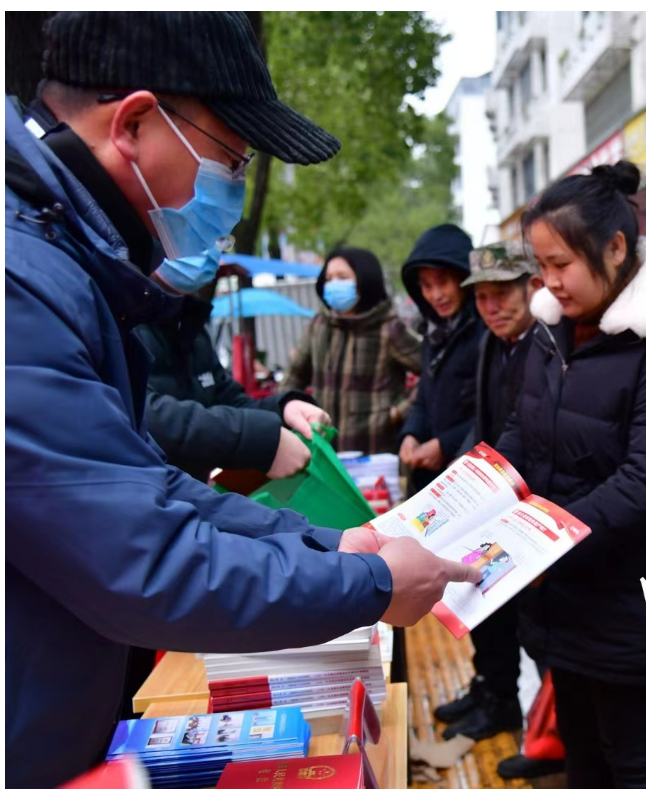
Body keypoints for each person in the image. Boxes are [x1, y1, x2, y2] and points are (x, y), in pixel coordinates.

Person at [5, 12, 477, 789]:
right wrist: (374, 586)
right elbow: (143, 559)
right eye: (231, 158)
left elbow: (146, 486)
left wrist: (325, 546)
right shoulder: (24, 279)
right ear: (134, 124)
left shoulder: (65, 261)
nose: (233, 189)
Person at [495, 161, 646, 789]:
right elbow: (524, 429)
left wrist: (543, 537)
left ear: (615, 248)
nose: (549, 282)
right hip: (561, 600)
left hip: (636, 605)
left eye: (561, 263)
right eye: (541, 266)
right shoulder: (551, 334)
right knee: (582, 758)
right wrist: (481, 488)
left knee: (636, 767)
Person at [434, 243, 543, 744]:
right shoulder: (490, 344)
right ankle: (494, 694)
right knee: (484, 607)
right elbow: (481, 422)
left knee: (537, 633)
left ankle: (544, 731)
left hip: (530, 509)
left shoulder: (546, 346)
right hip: (489, 499)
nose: (492, 307)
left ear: (532, 288)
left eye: (503, 294)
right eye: (482, 298)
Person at [137, 289, 330, 483]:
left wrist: (284, 409)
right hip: (145, 492)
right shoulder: (123, 318)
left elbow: (227, 399)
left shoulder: (191, 323)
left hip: (189, 491)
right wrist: (260, 439)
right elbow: (141, 414)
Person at [281, 246, 421, 455]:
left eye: (342, 277)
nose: (333, 284)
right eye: (328, 278)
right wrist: (284, 408)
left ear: (364, 280)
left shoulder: (388, 328)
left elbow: (432, 372)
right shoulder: (319, 325)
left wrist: (398, 413)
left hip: (375, 453)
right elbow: (294, 376)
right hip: (325, 452)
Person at [398, 224, 483, 492]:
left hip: (473, 476)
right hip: (432, 479)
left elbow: (498, 411)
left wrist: (445, 445)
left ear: (464, 278)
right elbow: (425, 393)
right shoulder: (434, 333)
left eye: (443, 281)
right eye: (426, 285)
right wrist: (411, 433)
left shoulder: (488, 332)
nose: (436, 295)